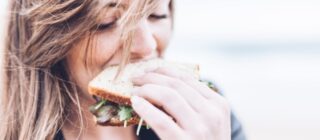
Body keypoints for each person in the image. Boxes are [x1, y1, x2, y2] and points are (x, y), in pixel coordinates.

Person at [0, 0, 246, 139]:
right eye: (106, 23)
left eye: (157, 15)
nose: (148, 45)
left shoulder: (206, 114)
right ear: (49, 38)